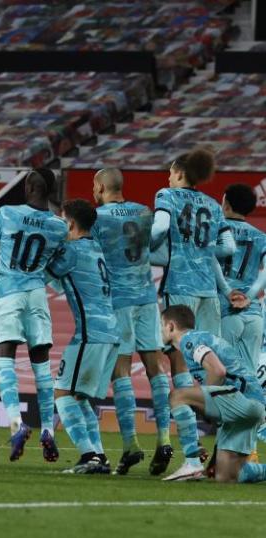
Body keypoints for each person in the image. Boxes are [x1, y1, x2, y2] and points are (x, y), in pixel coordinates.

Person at [150, 148, 243, 477]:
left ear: (178, 174)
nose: (168, 179)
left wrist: (142, 249)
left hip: (181, 289)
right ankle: (225, 454)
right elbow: (228, 248)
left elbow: (159, 228)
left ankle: (191, 455)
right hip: (209, 294)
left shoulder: (168, 196)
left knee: (179, 369)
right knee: (213, 373)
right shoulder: (212, 206)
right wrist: (216, 275)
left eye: (171, 173)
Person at [90, 168, 172, 475]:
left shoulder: (99, 218)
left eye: (94, 186)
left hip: (118, 300)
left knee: (120, 370)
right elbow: (156, 249)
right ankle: (164, 437)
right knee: (156, 367)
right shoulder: (143, 212)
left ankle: (131, 444)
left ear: (100, 187)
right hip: (147, 298)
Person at [0, 169, 67, 462]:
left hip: (8, 292)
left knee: (4, 357)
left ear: (30, 186)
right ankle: (48, 430)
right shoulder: (59, 227)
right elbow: (57, 264)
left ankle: (17, 423)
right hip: (37, 294)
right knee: (42, 367)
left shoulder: (6, 213)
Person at [46, 199, 119, 474]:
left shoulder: (72, 250)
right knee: (78, 397)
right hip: (111, 332)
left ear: (71, 224)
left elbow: (46, 271)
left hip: (91, 333)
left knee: (62, 392)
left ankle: (89, 455)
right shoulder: (96, 248)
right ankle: (99, 456)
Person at [160, 305, 266, 483]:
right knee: (226, 476)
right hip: (249, 405)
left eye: (161, 326)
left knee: (176, 396)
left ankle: (192, 461)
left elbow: (218, 371)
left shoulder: (189, 340)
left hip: (243, 400)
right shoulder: (199, 338)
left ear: (171, 326)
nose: (159, 331)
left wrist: (206, 396)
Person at [217, 184, 266, 374]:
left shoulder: (216, 232)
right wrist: (249, 296)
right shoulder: (260, 236)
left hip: (225, 310)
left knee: (221, 375)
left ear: (226, 204)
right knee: (249, 378)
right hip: (253, 314)